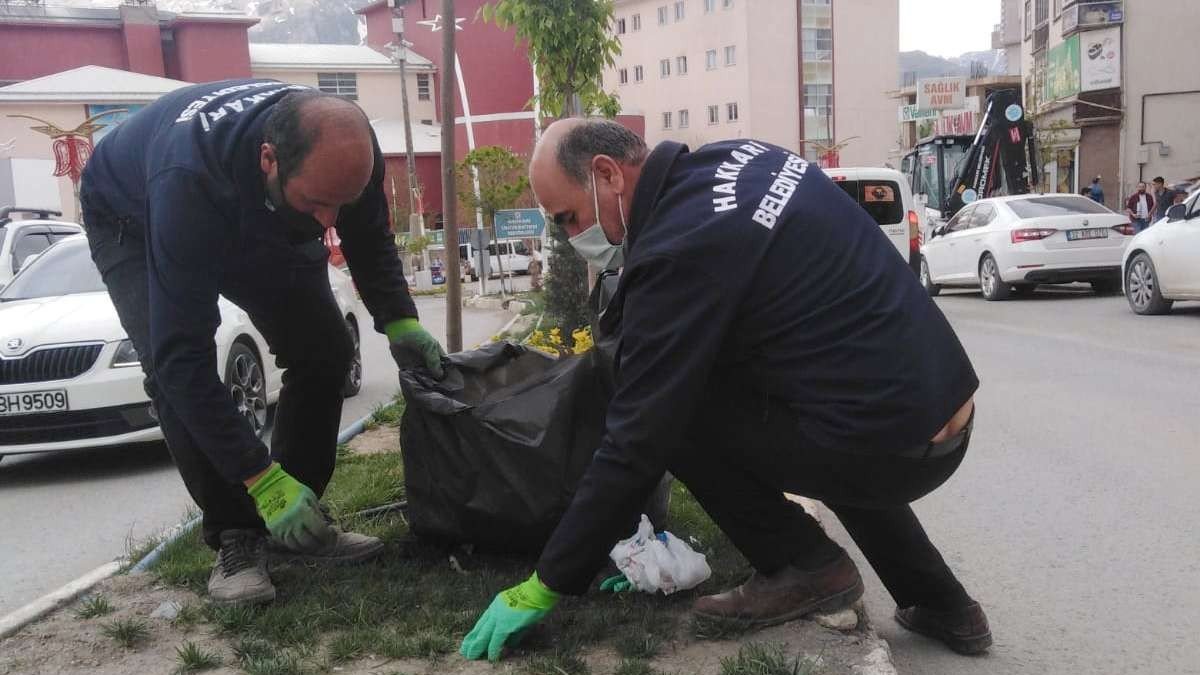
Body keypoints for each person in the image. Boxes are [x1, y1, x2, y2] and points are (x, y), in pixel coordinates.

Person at [460, 118, 990, 661]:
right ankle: (944, 603)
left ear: (606, 174)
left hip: (886, 443)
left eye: (569, 217)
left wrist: (548, 581)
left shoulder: (677, 246)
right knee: (827, 409)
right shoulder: (740, 159)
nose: (575, 238)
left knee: (677, 412)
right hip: (942, 408)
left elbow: (636, 438)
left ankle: (805, 566)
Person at [79, 80, 446, 605]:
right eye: (318, 204)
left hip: (262, 206)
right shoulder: (187, 182)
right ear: (270, 159)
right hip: (133, 214)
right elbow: (182, 357)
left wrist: (399, 319)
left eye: (341, 204)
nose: (328, 224)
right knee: (171, 373)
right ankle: (238, 537)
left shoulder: (346, 148)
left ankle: (296, 524)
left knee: (325, 347)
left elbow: (367, 233)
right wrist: (258, 476)